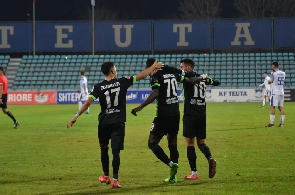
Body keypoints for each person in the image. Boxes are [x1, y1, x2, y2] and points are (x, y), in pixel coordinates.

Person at [66, 61, 163, 189]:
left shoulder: (98, 86)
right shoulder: (122, 82)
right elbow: (141, 76)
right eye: (115, 69)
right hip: (118, 122)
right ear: (112, 71)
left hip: (104, 122)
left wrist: (76, 116)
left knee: (104, 148)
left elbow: (88, 103)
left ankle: (106, 176)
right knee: (116, 152)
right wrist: (153, 67)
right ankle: (115, 180)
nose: (116, 71)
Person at [131, 58, 208, 183]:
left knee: (152, 143)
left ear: (153, 68)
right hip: (175, 114)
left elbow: (156, 93)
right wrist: (202, 77)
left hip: (162, 115)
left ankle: (171, 164)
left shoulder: (156, 75)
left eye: (149, 69)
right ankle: (173, 176)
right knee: (172, 144)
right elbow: (189, 80)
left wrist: (140, 106)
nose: (149, 72)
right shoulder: (172, 74)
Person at [162, 59, 220, 180]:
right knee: (201, 143)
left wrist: (163, 66)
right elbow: (217, 82)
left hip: (190, 114)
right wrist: (208, 79)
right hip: (202, 114)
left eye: (182, 66)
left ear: (188, 67)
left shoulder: (188, 76)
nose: (181, 68)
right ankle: (210, 158)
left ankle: (194, 172)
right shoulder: (202, 77)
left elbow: (175, 72)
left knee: (189, 143)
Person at [265, 62, 285, 127]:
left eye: (272, 66)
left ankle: (272, 123)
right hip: (281, 92)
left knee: (272, 107)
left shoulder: (273, 74)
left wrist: (271, 73)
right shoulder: (283, 73)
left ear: (273, 66)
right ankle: (282, 123)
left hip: (275, 93)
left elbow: (269, 82)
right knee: (281, 108)